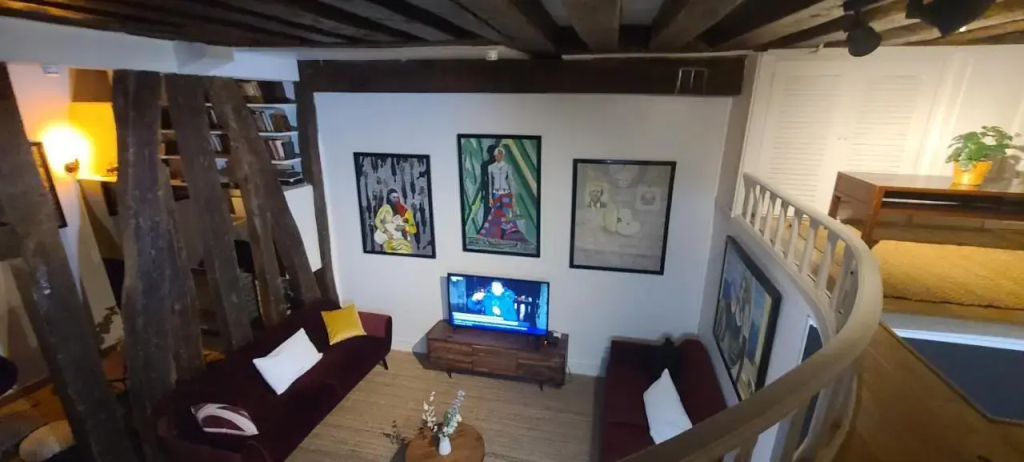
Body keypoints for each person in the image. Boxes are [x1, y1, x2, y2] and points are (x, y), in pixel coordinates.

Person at [477, 147, 525, 242]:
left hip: (504, 192)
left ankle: (505, 233)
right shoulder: (489, 166)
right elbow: (487, 182)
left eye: (500, 154)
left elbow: (510, 181)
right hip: (494, 193)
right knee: (493, 213)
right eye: (496, 154)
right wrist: (488, 195)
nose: (497, 156)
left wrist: (513, 196)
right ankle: (495, 234)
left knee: (505, 213)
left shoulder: (506, 166)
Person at [373, 188, 417, 254]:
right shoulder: (385, 209)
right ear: (389, 198)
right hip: (389, 241)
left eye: (397, 197)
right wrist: (386, 231)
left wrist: (404, 227)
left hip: (403, 241)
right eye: (393, 197)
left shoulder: (406, 211)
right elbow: (377, 221)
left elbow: (413, 229)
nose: (396, 199)